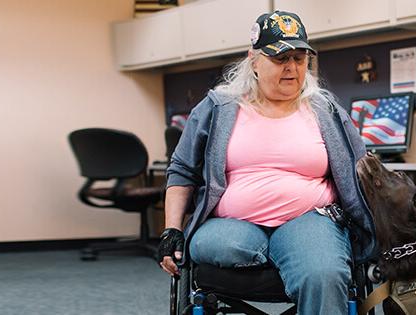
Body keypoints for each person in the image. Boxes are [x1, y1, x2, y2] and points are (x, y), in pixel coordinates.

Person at [157, 10, 375, 314]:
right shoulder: (217, 108)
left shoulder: (326, 110)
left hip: (310, 219)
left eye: (299, 59)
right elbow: (182, 170)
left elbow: (364, 169)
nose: (292, 68)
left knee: (323, 274)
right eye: (280, 58)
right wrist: (172, 230)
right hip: (233, 227)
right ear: (253, 59)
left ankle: (294, 251)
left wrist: (409, 206)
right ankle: (284, 251)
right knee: (206, 244)